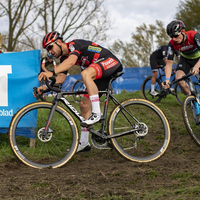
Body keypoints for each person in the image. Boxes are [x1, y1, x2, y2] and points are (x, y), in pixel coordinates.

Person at [37, 31, 123, 152]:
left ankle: (96, 114)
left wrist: (50, 72)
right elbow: (60, 78)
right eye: (46, 49)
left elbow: (71, 62)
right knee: (84, 105)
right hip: (98, 74)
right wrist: (45, 89)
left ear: (60, 42)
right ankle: (84, 143)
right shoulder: (63, 58)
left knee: (85, 73)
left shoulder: (74, 45)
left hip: (110, 61)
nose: (49, 51)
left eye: (50, 46)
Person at [162, 20, 200, 98]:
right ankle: (194, 100)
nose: (174, 39)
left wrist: (196, 67)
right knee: (179, 79)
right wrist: (167, 79)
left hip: (198, 59)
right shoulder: (172, 44)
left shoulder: (194, 35)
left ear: (183, 31)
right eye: (171, 37)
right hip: (185, 60)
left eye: (175, 36)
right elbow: (169, 63)